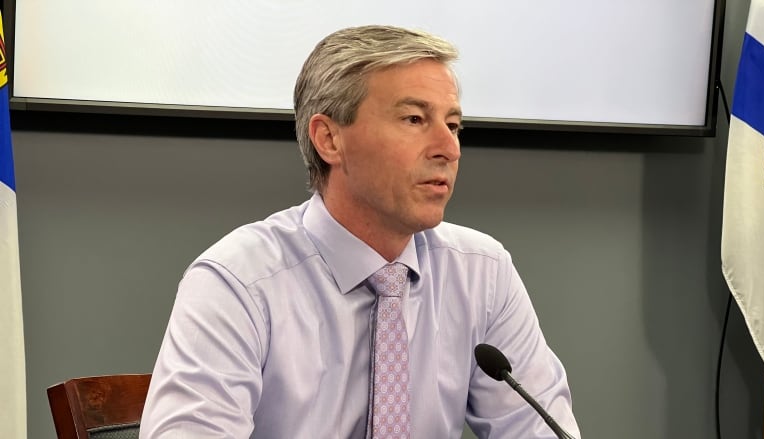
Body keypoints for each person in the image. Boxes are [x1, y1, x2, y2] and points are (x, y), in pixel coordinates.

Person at [139, 24, 580, 438]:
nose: (449, 149)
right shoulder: (239, 283)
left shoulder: (481, 273)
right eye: (413, 119)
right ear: (329, 139)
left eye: (453, 125)